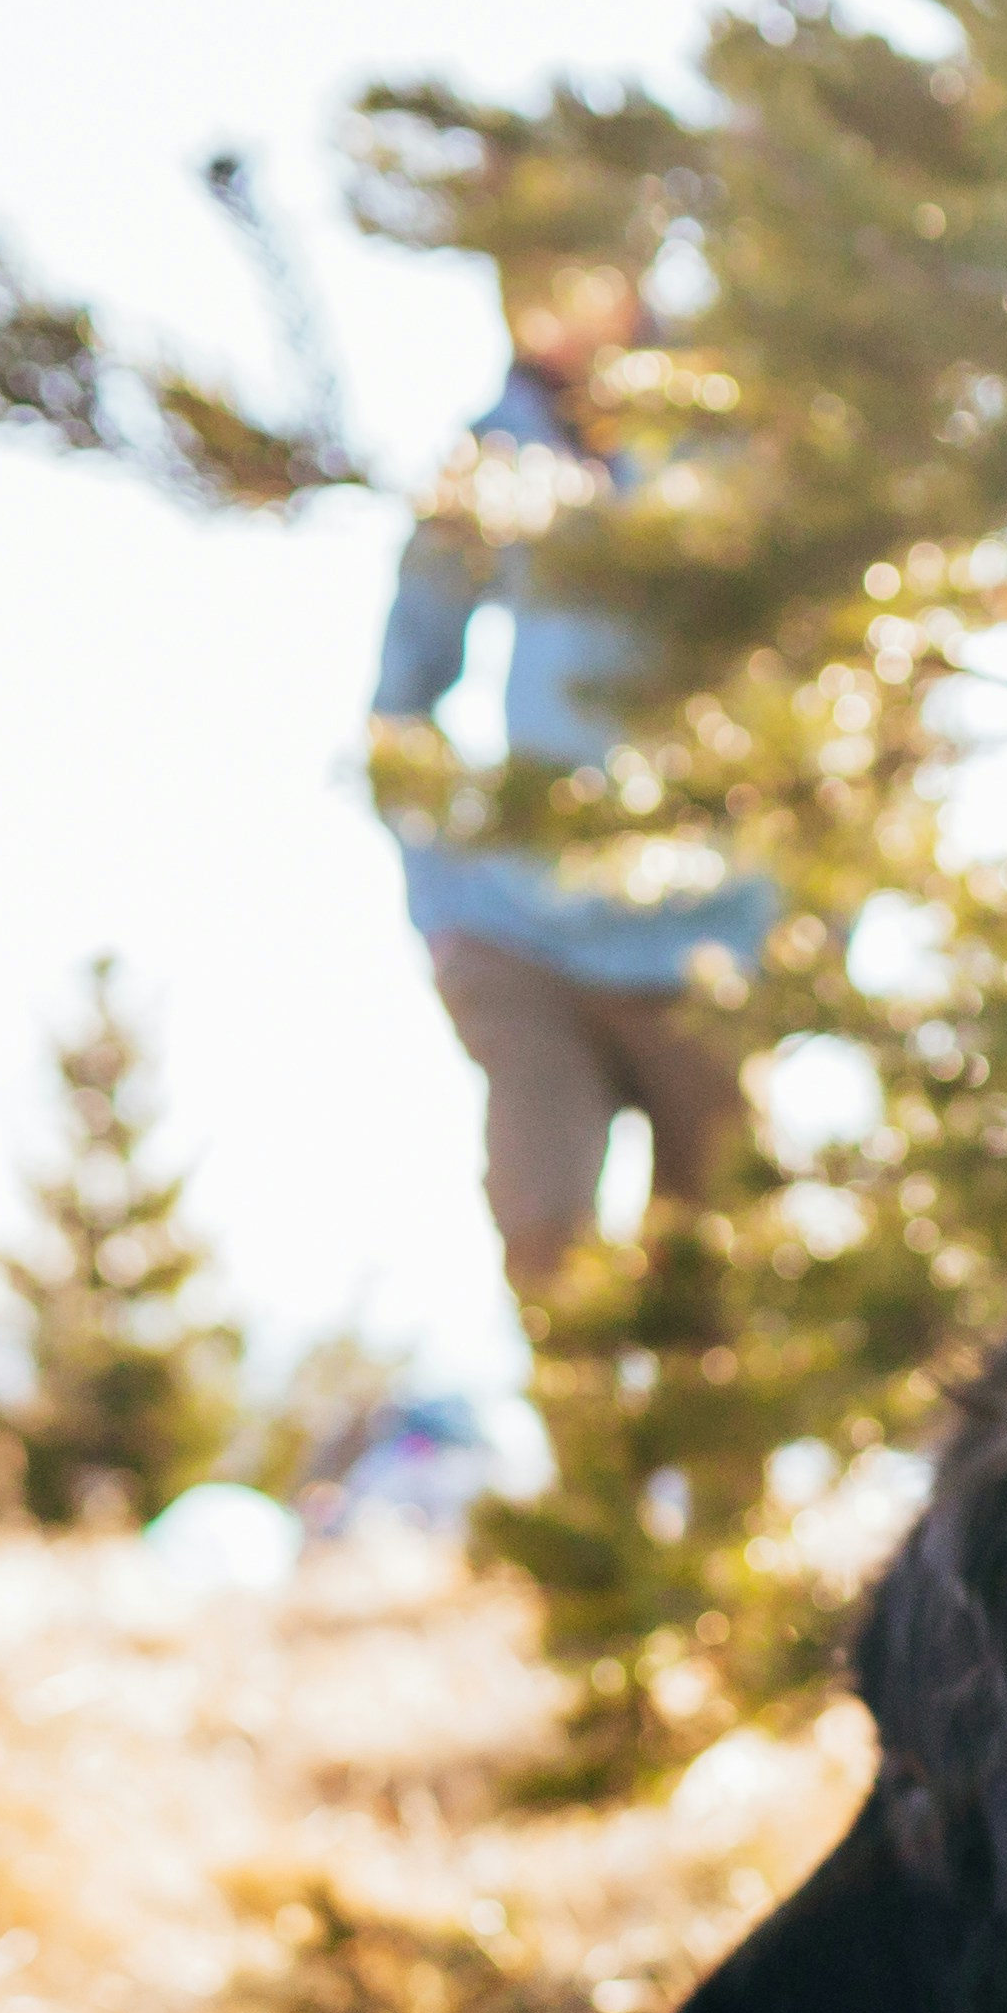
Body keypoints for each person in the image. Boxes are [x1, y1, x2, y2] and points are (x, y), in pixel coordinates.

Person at [371, 254, 785, 1298]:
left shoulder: (744, 430)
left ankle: (715, 1464)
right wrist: (443, 897)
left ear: (632, 272)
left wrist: (813, 906)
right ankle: (581, 1462)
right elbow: (404, 685)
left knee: (723, 1286)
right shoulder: (490, 456)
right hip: (524, 934)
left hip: (715, 943)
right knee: (544, 1237)